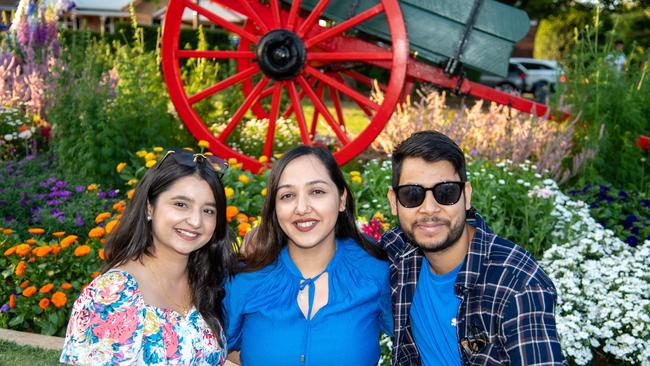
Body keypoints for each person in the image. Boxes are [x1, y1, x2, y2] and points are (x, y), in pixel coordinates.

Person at [380, 131, 566, 365]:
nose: (428, 209)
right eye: (411, 195)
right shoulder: (399, 251)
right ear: (393, 202)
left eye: (445, 192)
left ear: (466, 195)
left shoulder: (518, 285)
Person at [61, 148, 235, 365]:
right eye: (181, 204)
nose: (196, 221)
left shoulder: (207, 282)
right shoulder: (114, 294)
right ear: (149, 208)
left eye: (208, 210)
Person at [224, 145, 392, 366]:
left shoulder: (375, 269)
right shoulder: (245, 278)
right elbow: (217, 351)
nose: (301, 208)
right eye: (287, 195)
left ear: (341, 199)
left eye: (317, 192)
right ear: (275, 207)